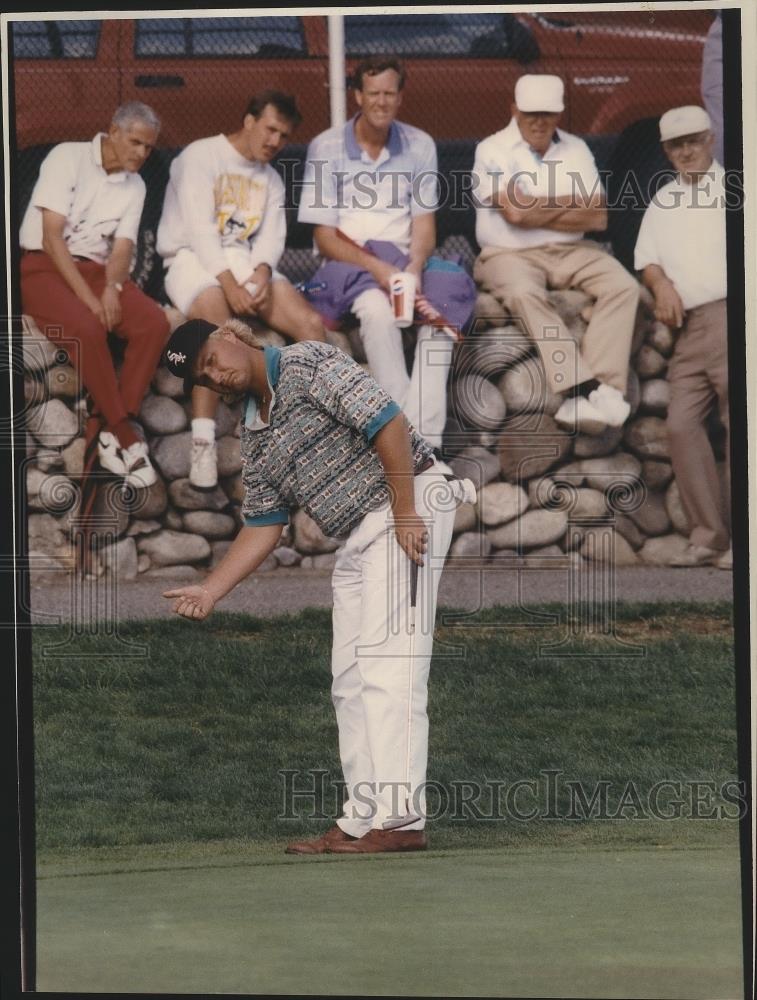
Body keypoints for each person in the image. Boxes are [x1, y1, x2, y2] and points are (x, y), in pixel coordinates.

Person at [161, 317, 475, 853]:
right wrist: (211, 590)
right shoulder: (254, 432)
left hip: (411, 499)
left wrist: (405, 511)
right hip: (362, 528)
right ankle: (363, 816)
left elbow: (389, 423)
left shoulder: (309, 362)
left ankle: (401, 821)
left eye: (213, 360)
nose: (217, 378)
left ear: (233, 336)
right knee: (350, 677)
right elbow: (263, 524)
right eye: (204, 380)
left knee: (388, 663)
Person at [297, 56, 475, 461]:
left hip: (403, 261)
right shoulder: (325, 146)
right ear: (358, 96)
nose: (381, 102)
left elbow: (424, 227)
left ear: (400, 96)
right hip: (351, 265)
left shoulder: (420, 144)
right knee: (377, 313)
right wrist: (379, 269)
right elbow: (324, 238)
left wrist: (412, 269)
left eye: (389, 93)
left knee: (439, 322)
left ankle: (424, 443)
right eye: (372, 93)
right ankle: (402, 434)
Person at [157, 91, 326, 491]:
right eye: (270, 130)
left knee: (310, 323)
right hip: (189, 257)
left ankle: (310, 432)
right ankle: (203, 443)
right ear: (249, 120)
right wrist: (231, 286)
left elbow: (272, 238)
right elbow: (200, 231)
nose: (274, 142)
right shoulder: (199, 156)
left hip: (244, 260)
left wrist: (262, 275)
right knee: (214, 319)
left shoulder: (269, 176)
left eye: (284, 136)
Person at [472, 74, 640, 432]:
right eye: (531, 112)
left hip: (573, 249)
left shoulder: (576, 148)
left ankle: (605, 390)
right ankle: (583, 387)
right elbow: (514, 215)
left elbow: (598, 216)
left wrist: (536, 206)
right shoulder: (492, 149)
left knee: (623, 286)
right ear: (514, 110)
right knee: (523, 293)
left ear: (559, 114)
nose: (538, 121)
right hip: (507, 254)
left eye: (547, 113)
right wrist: (569, 203)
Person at [20, 101, 169, 487]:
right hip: (44, 265)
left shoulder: (136, 184)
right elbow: (52, 237)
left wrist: (114, 289)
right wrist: (92, 301)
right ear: (113, 132)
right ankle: (125, 434)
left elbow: (122, 249)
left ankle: (104, 430)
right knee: (88, 328)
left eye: (149, 148)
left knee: (153, 322)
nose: (141, 153)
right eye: (135, 142)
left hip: (98, 270)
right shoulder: (67, 157)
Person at [634, 106, 730, 570]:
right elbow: (648, 260)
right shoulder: (662, 201)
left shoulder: (736, 190)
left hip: (732, 317)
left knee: (740, 427)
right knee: (680, 426)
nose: (687, 151)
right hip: (687, 330)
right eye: (677, 145)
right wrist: (660, 284)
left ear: (711, 139)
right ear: (667, 152)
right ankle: (710, 538)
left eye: (694, 140)